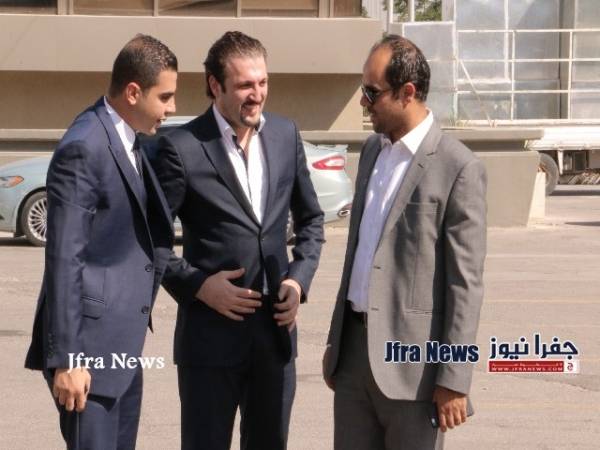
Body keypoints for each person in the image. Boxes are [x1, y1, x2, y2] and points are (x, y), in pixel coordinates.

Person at [151, 31, 324, 450]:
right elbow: (152, 242)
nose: (257, 94)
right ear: (215, 85)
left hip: (275, 339)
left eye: (263, 82)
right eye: (246, 84)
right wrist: (199, 286)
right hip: (209, 343)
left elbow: (312, 220)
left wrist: (298, 280)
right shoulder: (180, 147)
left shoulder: (285, 134)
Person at [322, 35, 487, 450]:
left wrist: (454, 378)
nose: (364, 102)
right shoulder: (372, 153)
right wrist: (337, 345)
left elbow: (464, 284)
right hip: (354, 359)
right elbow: (358, 257)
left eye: (372, 92)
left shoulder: (458, 167)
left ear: (407, 92)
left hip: (415, 371)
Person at [24, 34, 177, 450]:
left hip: (121, 350)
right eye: (165, 97)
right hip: (87, 356)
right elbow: (64, 259)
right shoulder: (84, 147)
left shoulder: (127, 137)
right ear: (133, 92)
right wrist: (68, 360)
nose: (172, 108)